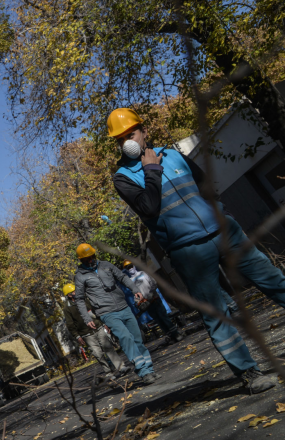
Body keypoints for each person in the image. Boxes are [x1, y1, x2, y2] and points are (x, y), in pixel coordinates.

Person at [108, 107, 283, 393]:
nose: (127, 141)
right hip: (188, 251)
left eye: (131, 133)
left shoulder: (175, 154)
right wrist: (151, 170)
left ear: (144, 130)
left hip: (226, 234)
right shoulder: (123, 177)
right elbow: (148, 207)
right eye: (120, 139)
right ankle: (249, 374)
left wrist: (223, 215)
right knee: (216, 313)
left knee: (274, 282)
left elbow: (205, 186)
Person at [72, 243, 160, 385]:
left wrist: (134, 288)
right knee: (125, 337)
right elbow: (80, 299)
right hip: (107, 312)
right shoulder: (80, 277)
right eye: (86, 259)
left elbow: (122, 277)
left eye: (91, 256)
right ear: (81, 260)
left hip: (124, 307)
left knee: (138, 338)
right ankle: (142, 371)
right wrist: (86, 317)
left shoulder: (106, 265)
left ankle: (149, 370)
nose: (90, 260)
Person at [61, 283, 130, 382]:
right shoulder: (67, 308)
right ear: (69, 295)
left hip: (98, 327)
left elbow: (96, 311)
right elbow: (70, 324)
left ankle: (121, 367)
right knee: (98, 354)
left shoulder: (85, 299)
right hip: (86, 334)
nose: (76, 292)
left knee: (108, 348)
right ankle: (109, 373)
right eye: (73, 292)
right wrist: (77, 337)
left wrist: (104, 323)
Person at [122, 260, 184, 344]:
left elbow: (153, 283)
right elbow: (134, 295)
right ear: (126, 270)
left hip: (155, 299)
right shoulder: (130, 281)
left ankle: (176, 334)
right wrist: (138, 303)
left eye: (131, 266)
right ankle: (170, 335)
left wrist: (151, 293)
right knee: (158, 320)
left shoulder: (143, 274)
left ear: (134, 266)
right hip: (147, 304)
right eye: (128, 268)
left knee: (164, 317)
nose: (130, 269)